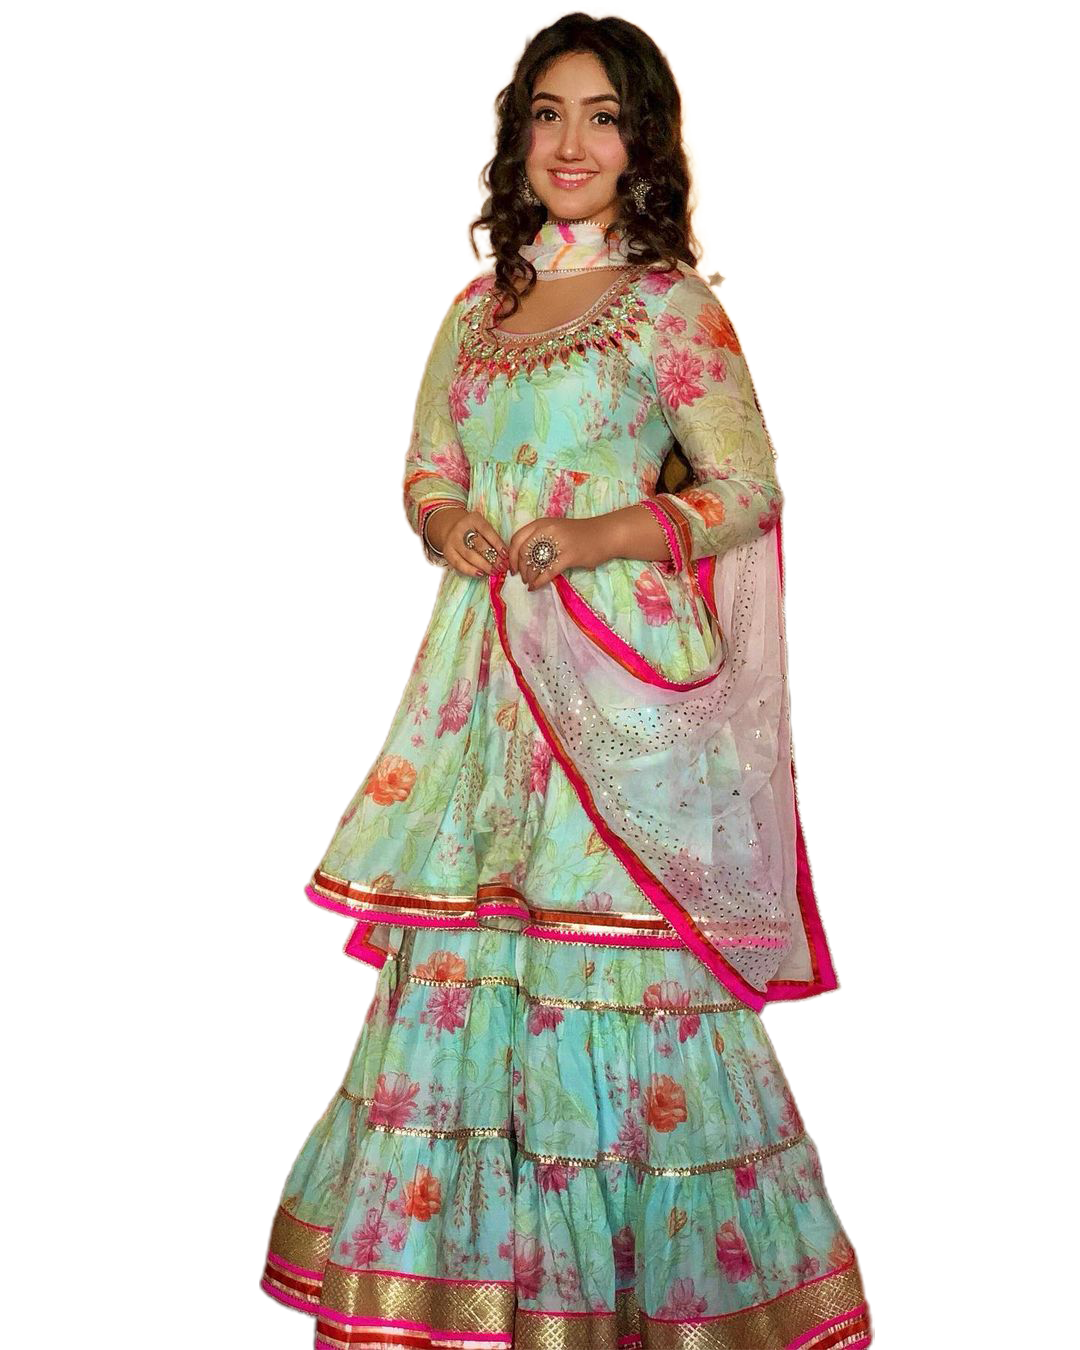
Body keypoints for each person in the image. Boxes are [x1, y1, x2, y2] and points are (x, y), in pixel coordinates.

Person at [262, 13, 870, 1349]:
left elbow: (747, 486)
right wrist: (444, 521)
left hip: (620, 689)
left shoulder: (670, 307)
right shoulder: (474, 314)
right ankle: (462, 1293)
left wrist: (600, 534)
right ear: (519, 138)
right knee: (475, 952)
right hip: (484, 683)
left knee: (620, 964)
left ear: (641, 141)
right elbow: (431, 461)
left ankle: (640, 1302)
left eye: (602, 116)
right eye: (548, 114)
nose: (572, 143)